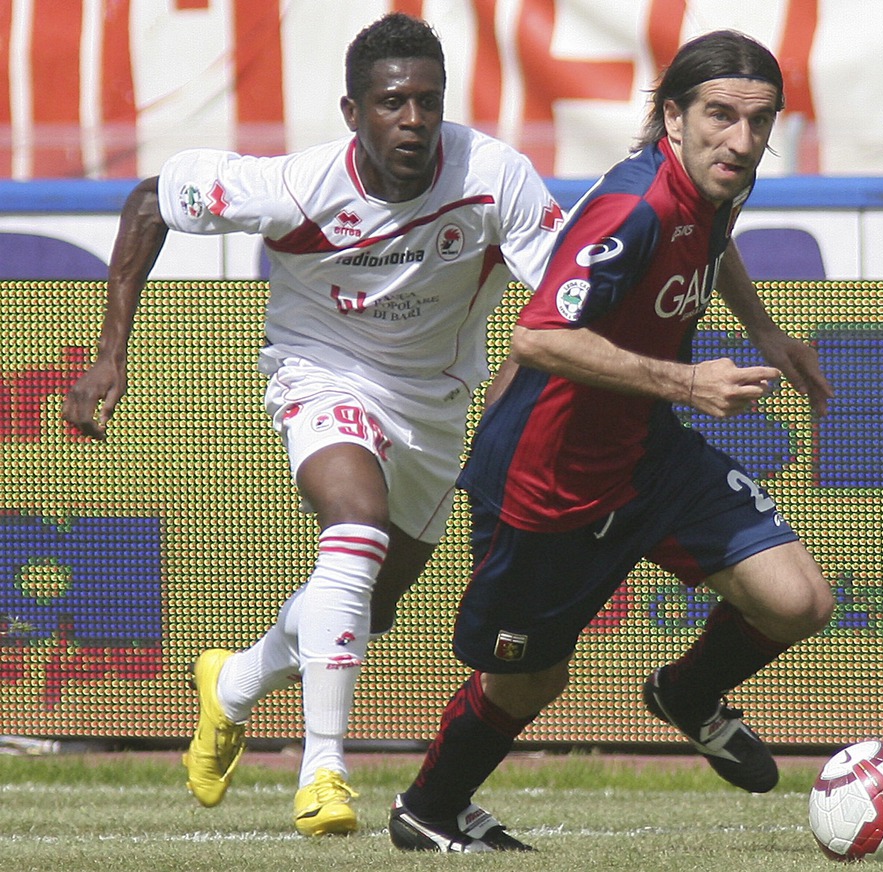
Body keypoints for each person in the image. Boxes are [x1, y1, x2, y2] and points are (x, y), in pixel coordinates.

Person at [61, 12, 563, 836]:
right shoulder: (295, 186)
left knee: (368, 604)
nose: (413, 121)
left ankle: (231, 685)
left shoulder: (495, 176)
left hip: (434, 406)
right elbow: (150, 201)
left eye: (428, 103)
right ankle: (323, 768)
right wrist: (109, 355)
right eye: (393, 103)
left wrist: (511, 405)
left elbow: (560, 311)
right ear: (352, 111)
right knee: (354, 531)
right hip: (320, 371)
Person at [387, 29, 836, 853]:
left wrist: (769, 336)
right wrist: (689, 383)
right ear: (673, 116)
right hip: (547, 477)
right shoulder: (634, 208)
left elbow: (714, 240)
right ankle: (430, 809)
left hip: (646, 450)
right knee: (530, 679)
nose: (742, 140)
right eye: (721, 116)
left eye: (761, 120)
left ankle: (688, 694)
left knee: (798, 598)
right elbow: (539, 339)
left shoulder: (721, 177)